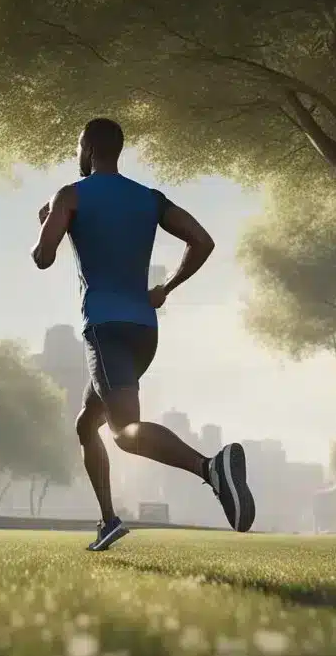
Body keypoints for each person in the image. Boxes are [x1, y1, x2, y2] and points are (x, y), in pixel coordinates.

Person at [32, 117, 257, 551]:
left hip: (104, 329)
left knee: (121, 429)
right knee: (86, 426)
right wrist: (165, 288)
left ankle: (211, 467)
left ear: (91, 148)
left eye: (80, 146)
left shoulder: (70, 195)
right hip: (143, 332)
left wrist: (45, 223)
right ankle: (109, 521)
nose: (78, 154)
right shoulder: (149, 198)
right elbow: (203, 241)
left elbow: (43, 257)